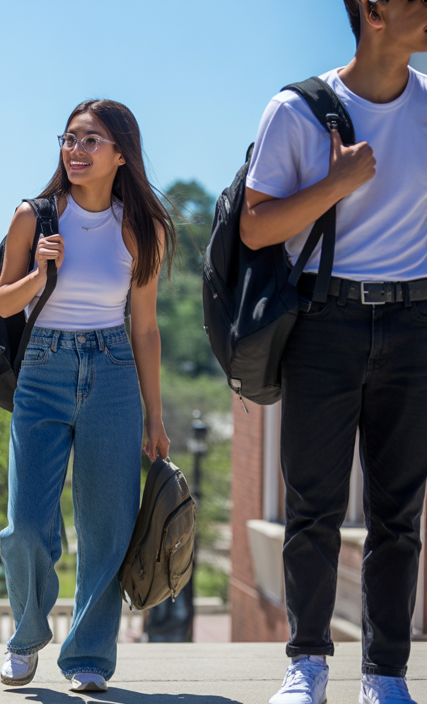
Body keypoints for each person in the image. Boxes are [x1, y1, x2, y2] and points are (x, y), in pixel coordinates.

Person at [242, 4, 427, 704]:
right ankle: (308, 665)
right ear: (374, 10)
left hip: (416, 322)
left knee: (398, 512)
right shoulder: (297, 110)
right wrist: (336, 185)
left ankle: (385, 674)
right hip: (325, 321)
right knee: (313, 506)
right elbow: (256, 227)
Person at [0, 99, 175, 693]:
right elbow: (2, 304)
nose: (76, 150)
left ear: (121, 154)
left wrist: (154, 415)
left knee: (108, 527)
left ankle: (89, 655)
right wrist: (40, 274)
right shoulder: (35, 216)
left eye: (91, 140)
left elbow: (144, 328)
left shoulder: (142, 228)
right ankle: (26, 636)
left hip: (113, 372)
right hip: (42, 369)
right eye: (70, 139)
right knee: (25, 525)